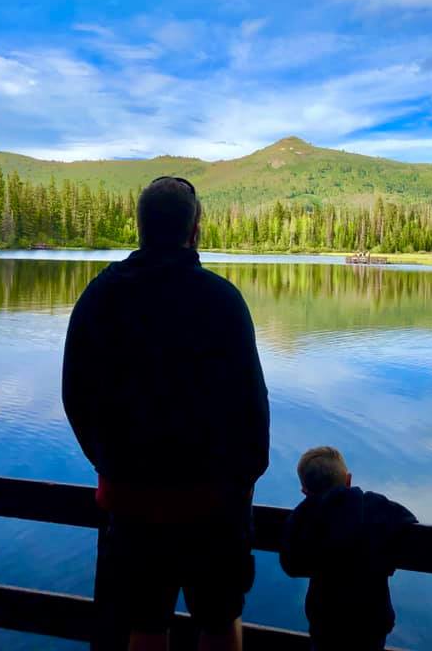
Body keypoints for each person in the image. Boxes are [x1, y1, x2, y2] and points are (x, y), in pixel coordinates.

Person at [62, 176, 270, 651]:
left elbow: (75, 395)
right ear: (195, 230)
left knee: (145, 625)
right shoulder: (222, 300)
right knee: (219, 623)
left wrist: (108, 464)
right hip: (215, 503)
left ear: (139, 228)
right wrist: (243, 481)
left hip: (132, 500)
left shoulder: (100, 297)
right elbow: (252, 407)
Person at [280, 447, 417, 651]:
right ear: (348, 480)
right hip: (371, 622)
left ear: (305, 491)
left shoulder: (305, 520)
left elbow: (291, 564)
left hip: (326, 623)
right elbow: (409, 523)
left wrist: (307, 505)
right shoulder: (374, 506)